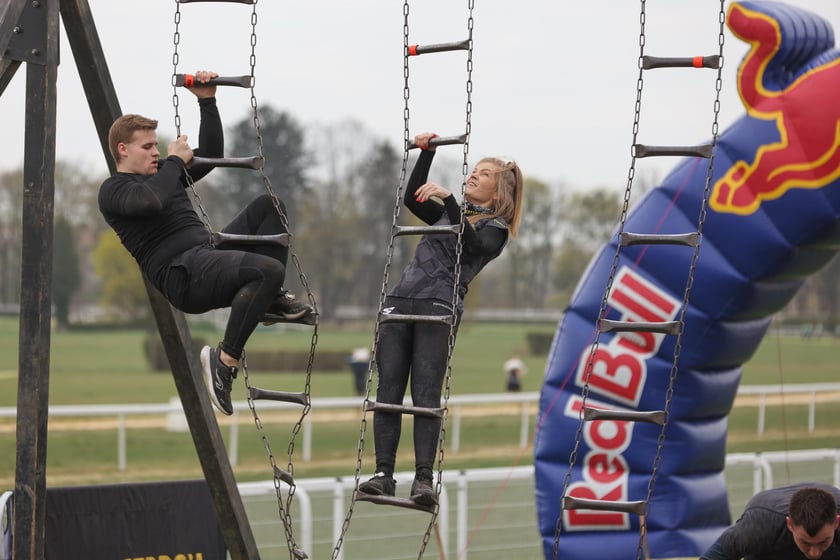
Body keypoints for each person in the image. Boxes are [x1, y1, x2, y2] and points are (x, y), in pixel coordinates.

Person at [98, 70, 313, 417]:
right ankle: (224, 363)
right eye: (147, 147)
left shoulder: (164, 174)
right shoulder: (115, 190)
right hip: (183, 276)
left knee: (269, 207)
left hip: (205, 256)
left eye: (156, 146)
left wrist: (207, 101)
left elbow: (212, 153)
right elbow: (150, 201)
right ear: (123, 150)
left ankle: (269, 301)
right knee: (267, 271)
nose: (155, 152)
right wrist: (173, 162)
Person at [358, 132, 524, 506]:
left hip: (439, 306)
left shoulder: (495, 229)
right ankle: (383, 475)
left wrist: (449, 199)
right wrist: (426, 153)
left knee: (425, 394)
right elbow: (412, 196)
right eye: (474, 170)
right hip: (401, 299)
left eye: (483, 174)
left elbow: (471, 243)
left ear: (498, 193)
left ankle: (423, 480)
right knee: (388, 393)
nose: (473, 175)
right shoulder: (450, 214)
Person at [700, 482, 840, 559]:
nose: (814, 553)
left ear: (836, 522)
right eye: (806, 543)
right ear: (790, 524)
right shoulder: (760, 527)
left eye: (823, 542)